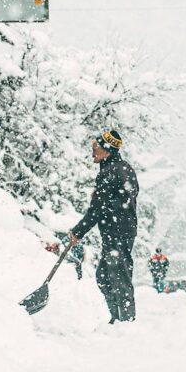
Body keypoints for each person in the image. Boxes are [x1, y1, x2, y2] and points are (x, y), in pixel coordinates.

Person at [68, 130, 138, 323]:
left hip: (116, 232)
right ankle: (117, 319)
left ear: (107, 151)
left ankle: (126, 322)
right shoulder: (125, 169)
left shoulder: (109, 173)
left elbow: (97, 210)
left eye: (95, 149)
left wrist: (78, 232)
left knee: (119, 277)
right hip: (121, 231)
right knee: (105, 276)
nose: (92, 153)